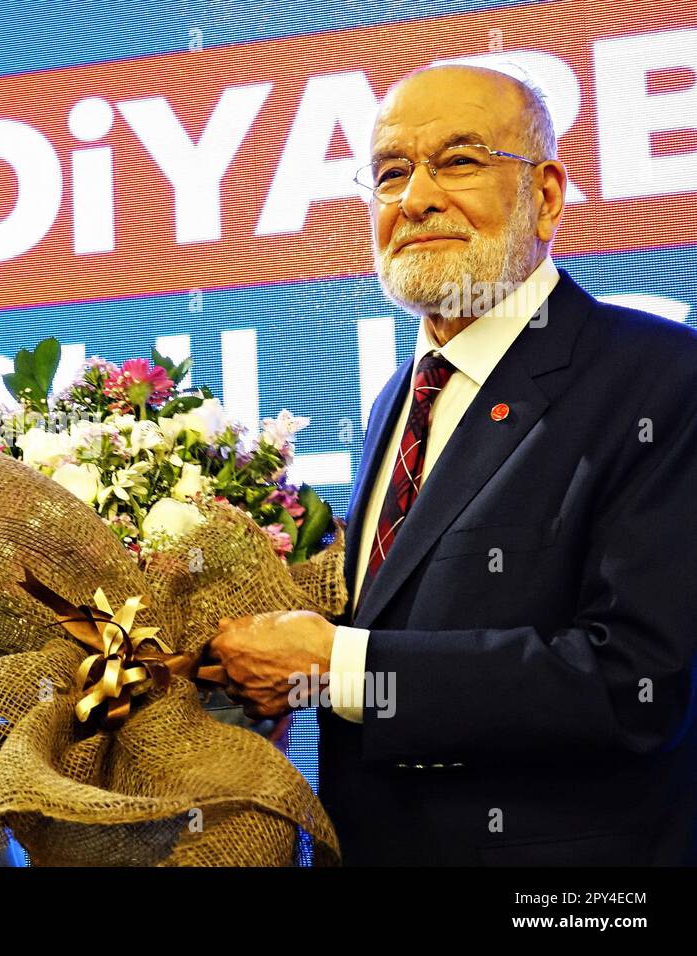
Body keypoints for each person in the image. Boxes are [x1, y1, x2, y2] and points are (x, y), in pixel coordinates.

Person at [210, 65, 697, 865]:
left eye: (461, 161)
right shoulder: (396, 401)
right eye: (392, 173)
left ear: (545, 196)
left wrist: (337, 664)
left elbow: (636, 683)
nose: (417, 198)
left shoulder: (662, 377)